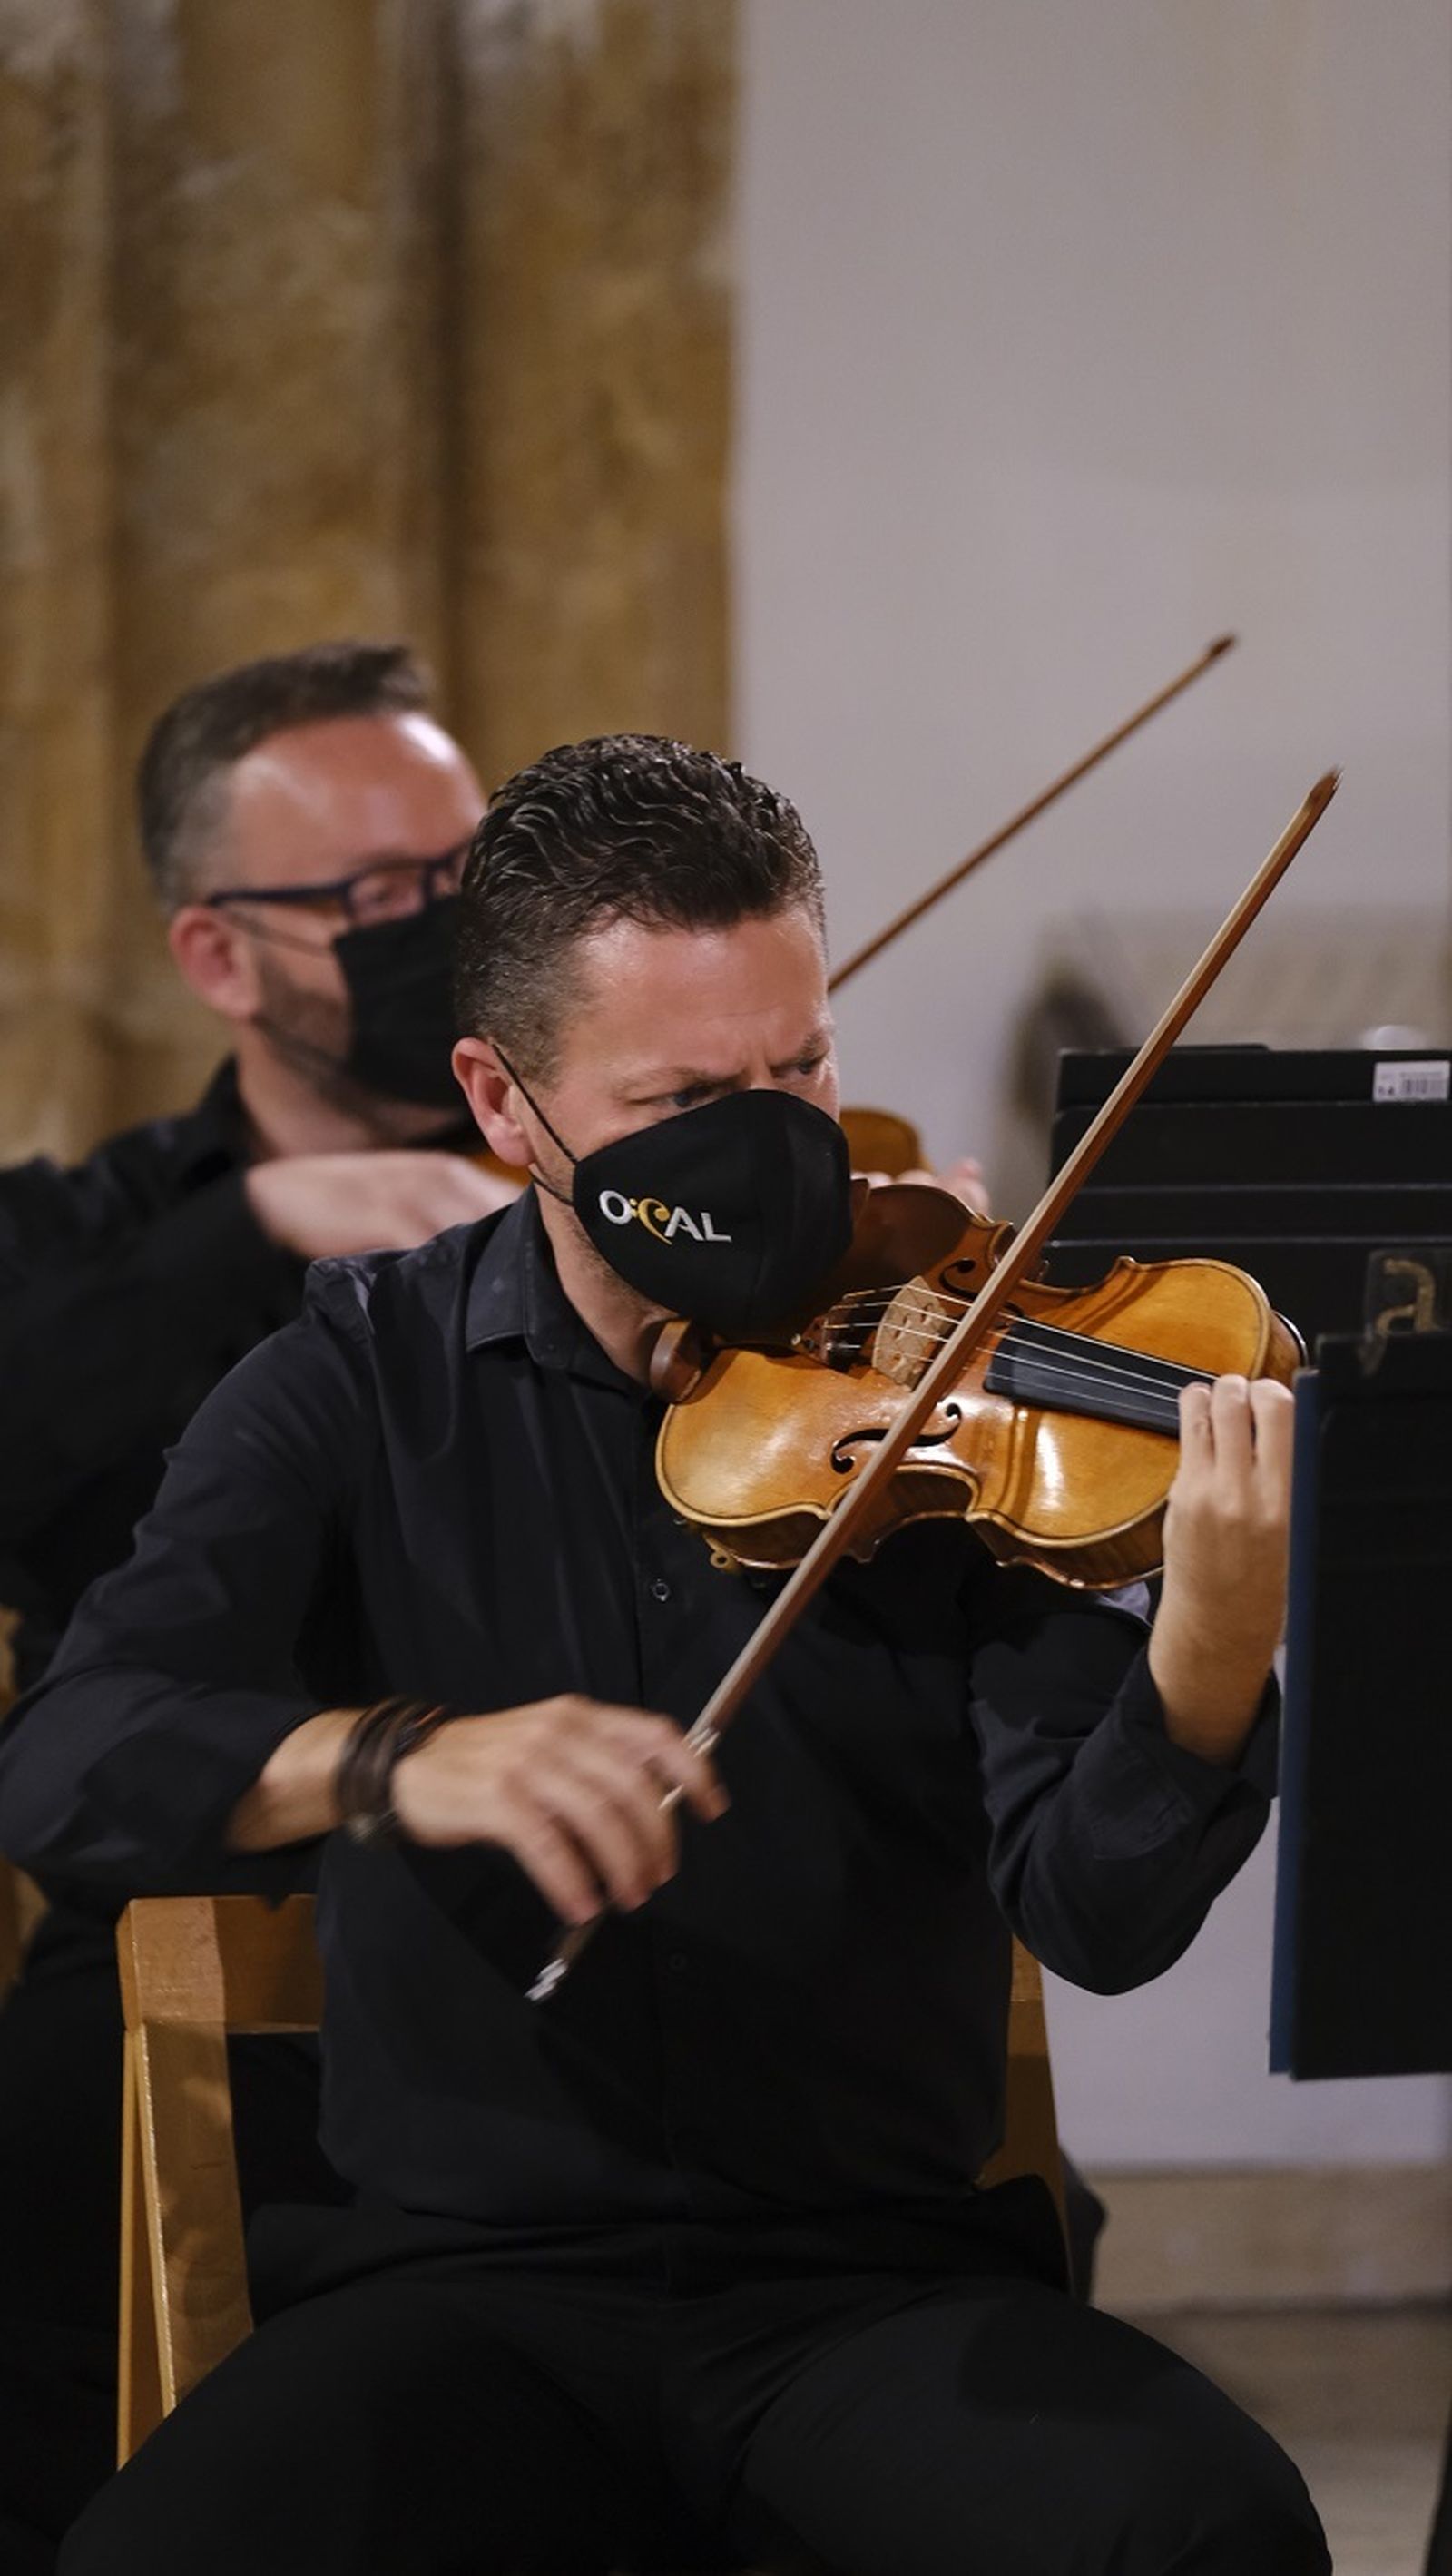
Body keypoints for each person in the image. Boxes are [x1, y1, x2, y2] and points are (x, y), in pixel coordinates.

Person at [0, 735, 1327, 2575]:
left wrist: (1206, 1651)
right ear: (502, 1102)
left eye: (799, 1067)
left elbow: (1099, 1917)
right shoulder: (355, 1381)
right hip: (463, 2303)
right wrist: (388, 1757)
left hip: (875, 2306)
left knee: (1199, 2533)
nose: (772, 1143)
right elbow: (71, 1760)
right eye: (688, 1094)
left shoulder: (943, 1378)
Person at [0, 641, 516, 2571]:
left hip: (585, 1900)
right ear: (216, 956)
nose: (444, 926)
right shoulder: (85, 1241)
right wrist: (259, 1233)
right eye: (376, 899)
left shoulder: (601, 1197)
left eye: (469, 873)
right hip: (196, 1928)